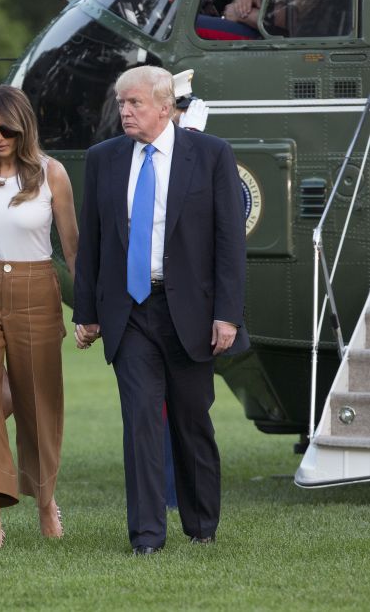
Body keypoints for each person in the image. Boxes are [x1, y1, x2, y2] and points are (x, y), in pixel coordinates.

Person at [73, 66, 247, 555]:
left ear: (165, 107)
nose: (125, 112)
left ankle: (201, 526)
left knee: (191, 421)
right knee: (141, 422)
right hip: (130, 312)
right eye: (121, 103)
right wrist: (86, 312)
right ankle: (147, 536)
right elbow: (94, 244)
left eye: (135, 104)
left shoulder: (210, 155)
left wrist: (228, 314)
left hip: (190, 311)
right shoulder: (104, 159)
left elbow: (230, 243)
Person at [0, 84, 78, 550]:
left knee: (39, 403)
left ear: (24, 130)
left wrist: (85, 310)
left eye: (7, 130)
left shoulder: (52, 175)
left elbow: (72, 247)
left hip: (36, 288)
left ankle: (45, 501)